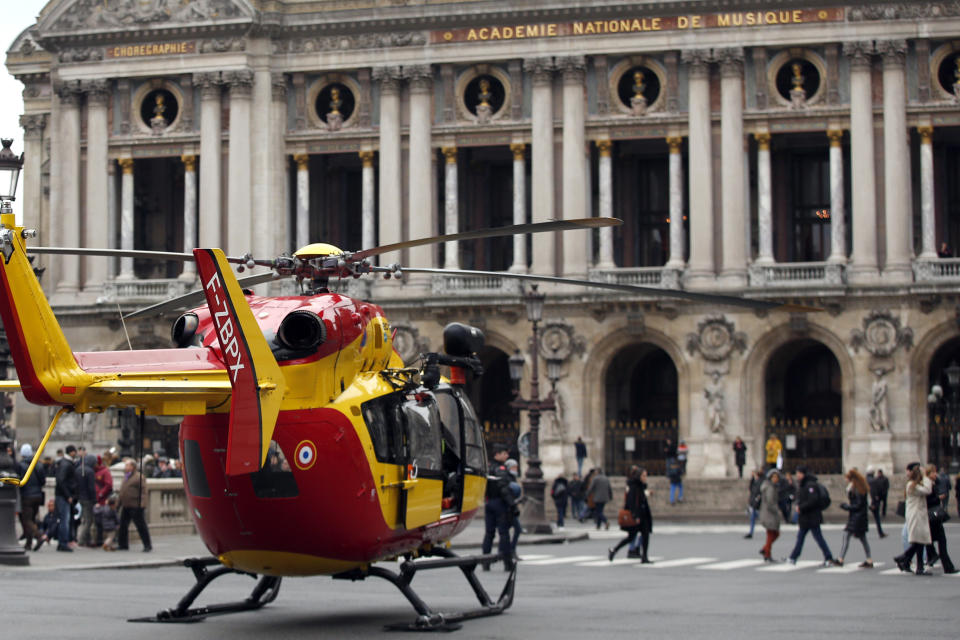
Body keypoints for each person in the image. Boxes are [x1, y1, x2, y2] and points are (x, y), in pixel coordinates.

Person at [786, 466, 836, 566]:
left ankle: (828, 557)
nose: (797, 475)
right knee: (802, 538)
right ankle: (793, 557)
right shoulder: (805, 484)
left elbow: (813, 500)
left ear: (803, 474)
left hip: (811, 517)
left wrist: (801, 507)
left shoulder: (810, 485)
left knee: (817, 538)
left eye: (799, 473)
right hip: (806, 517)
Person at [608, 466, 654, 563]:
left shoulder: (640, 486)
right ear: (639, 476)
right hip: (637, 516)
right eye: (644, 476)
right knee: (631, 537)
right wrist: (635, 516)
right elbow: (632, 502)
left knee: (644, 536)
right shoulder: (634, 487)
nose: (645, 478)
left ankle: (644, 556)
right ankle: (614, 550)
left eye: (646, 476)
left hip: (643, 515)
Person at [894, 462, 933, 575]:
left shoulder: (914, 484)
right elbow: (927, 490)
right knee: (919, 541)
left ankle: (910, 563)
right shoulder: (912, 485)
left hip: (917, 515)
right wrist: (926, 476)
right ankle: (904, 558)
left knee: (919, 541)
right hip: (916, 516)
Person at [481, 444, 515, 571]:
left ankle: (486, 561)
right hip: (499, 503)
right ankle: (507, 561)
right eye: (504, 453)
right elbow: (504, 488)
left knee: (489, 533)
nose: (507, 456)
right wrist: (512, 504)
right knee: (504, 533)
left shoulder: (488, 467)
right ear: (497, 454)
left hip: (489, 502)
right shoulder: (501, 469)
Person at [835, 468, 874, 568]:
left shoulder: (857, 489)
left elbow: (857, 505)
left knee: (846, 535)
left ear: (852, 479)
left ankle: (840, 559)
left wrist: (846, 506)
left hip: (856, 517)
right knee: (862, 538)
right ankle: (869, 559)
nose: (846, 480)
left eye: (847, 478)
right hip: (860, 517)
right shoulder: (858, 488)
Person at [923, 464, 956, 574]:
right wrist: (938, 497)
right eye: (933, 472)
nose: (935, 474)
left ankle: (937, 562)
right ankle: (947, 566)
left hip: (933, 518)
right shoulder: (927, 485)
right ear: (928, 473)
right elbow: (927, 501)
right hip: (932, 517)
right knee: (940, 541)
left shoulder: (932, 483)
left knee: (932, 542)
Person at [117, 458, 152, 553]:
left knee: (141, 526)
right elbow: (122, 491)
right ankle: (123, 544)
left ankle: (147, 545)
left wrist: (142, 504)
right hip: (126, 505)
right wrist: (118, 504)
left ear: (132, 467)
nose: (125, 467)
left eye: (127, 465)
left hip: (136, 505)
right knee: (123, 526)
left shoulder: (138, 477)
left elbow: (144, 492)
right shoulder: (126, 476)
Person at [16, 444, 46, 552]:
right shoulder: (38, 464)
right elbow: (43, 481)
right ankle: (28, 544)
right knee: (32, 519)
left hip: (27, 496)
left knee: (26, 520)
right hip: (38, 495)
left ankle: (39, 536)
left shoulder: (20, 466)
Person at [54, 444, 79, 552]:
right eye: (75, 451)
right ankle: (63, 542)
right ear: (71, 452)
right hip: (64, 495)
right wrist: (68, 495)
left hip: (62, 494)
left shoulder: (64, 463)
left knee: (64, 519)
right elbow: (61, 480)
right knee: (65, 520)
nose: (76, 453)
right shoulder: (66, 464)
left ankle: (62, 542)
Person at [758, 468, 781, 562]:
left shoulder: (770, 486)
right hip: (769, 514)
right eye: (774, 477)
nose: (776, 479)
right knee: (772, 534)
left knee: (772, 534)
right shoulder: (770, 488)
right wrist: (777, 511)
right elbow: (770, 501)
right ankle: (767, 553)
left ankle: (765, 550)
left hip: (767, 513)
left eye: (777, 477)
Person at [76, 453, 97, 547]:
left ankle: (88, 539)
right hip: (87, 498)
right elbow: (91, 487)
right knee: (88, 521)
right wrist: (94, 499)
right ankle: (81, 539)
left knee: (85, 519)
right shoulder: (90, 471)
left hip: (79, 497)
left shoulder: (78, 469)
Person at [504, 458, 523, 553]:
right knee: (513, 530)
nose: (515, 469)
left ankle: (508, 551)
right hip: (508, 508)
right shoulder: (507, 478)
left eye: (516, 467)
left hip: (511, 507)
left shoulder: (512, 478)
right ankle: (509, 551)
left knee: (507, 531)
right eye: (514, 467)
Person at [93, 455, 113, 546]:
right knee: (97, 521)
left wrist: (101, 493)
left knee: (104, 521)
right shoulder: (93, 471)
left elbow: (108, 485)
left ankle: (105, 539)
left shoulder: (104, 472)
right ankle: (99, 539)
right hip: (97, 500)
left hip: (103, 500)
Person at [867, 468, 889, 538]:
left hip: (866, 501)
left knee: (861, 517)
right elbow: (874, 492)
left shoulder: (865, 479)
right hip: (872, 501)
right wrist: (874, 502)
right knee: (877, 518)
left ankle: (856, 532)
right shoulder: (873, 481)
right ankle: (880, 532)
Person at [745, 469, 762, 539]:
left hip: (757, 502)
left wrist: (757, 499)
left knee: (755, 516)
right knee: (753, 517)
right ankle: (751, 532)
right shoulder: (753, 481)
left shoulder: (759, 482)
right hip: (753, 502)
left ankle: (751, 532)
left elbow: (759, 492)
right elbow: (751, 491)